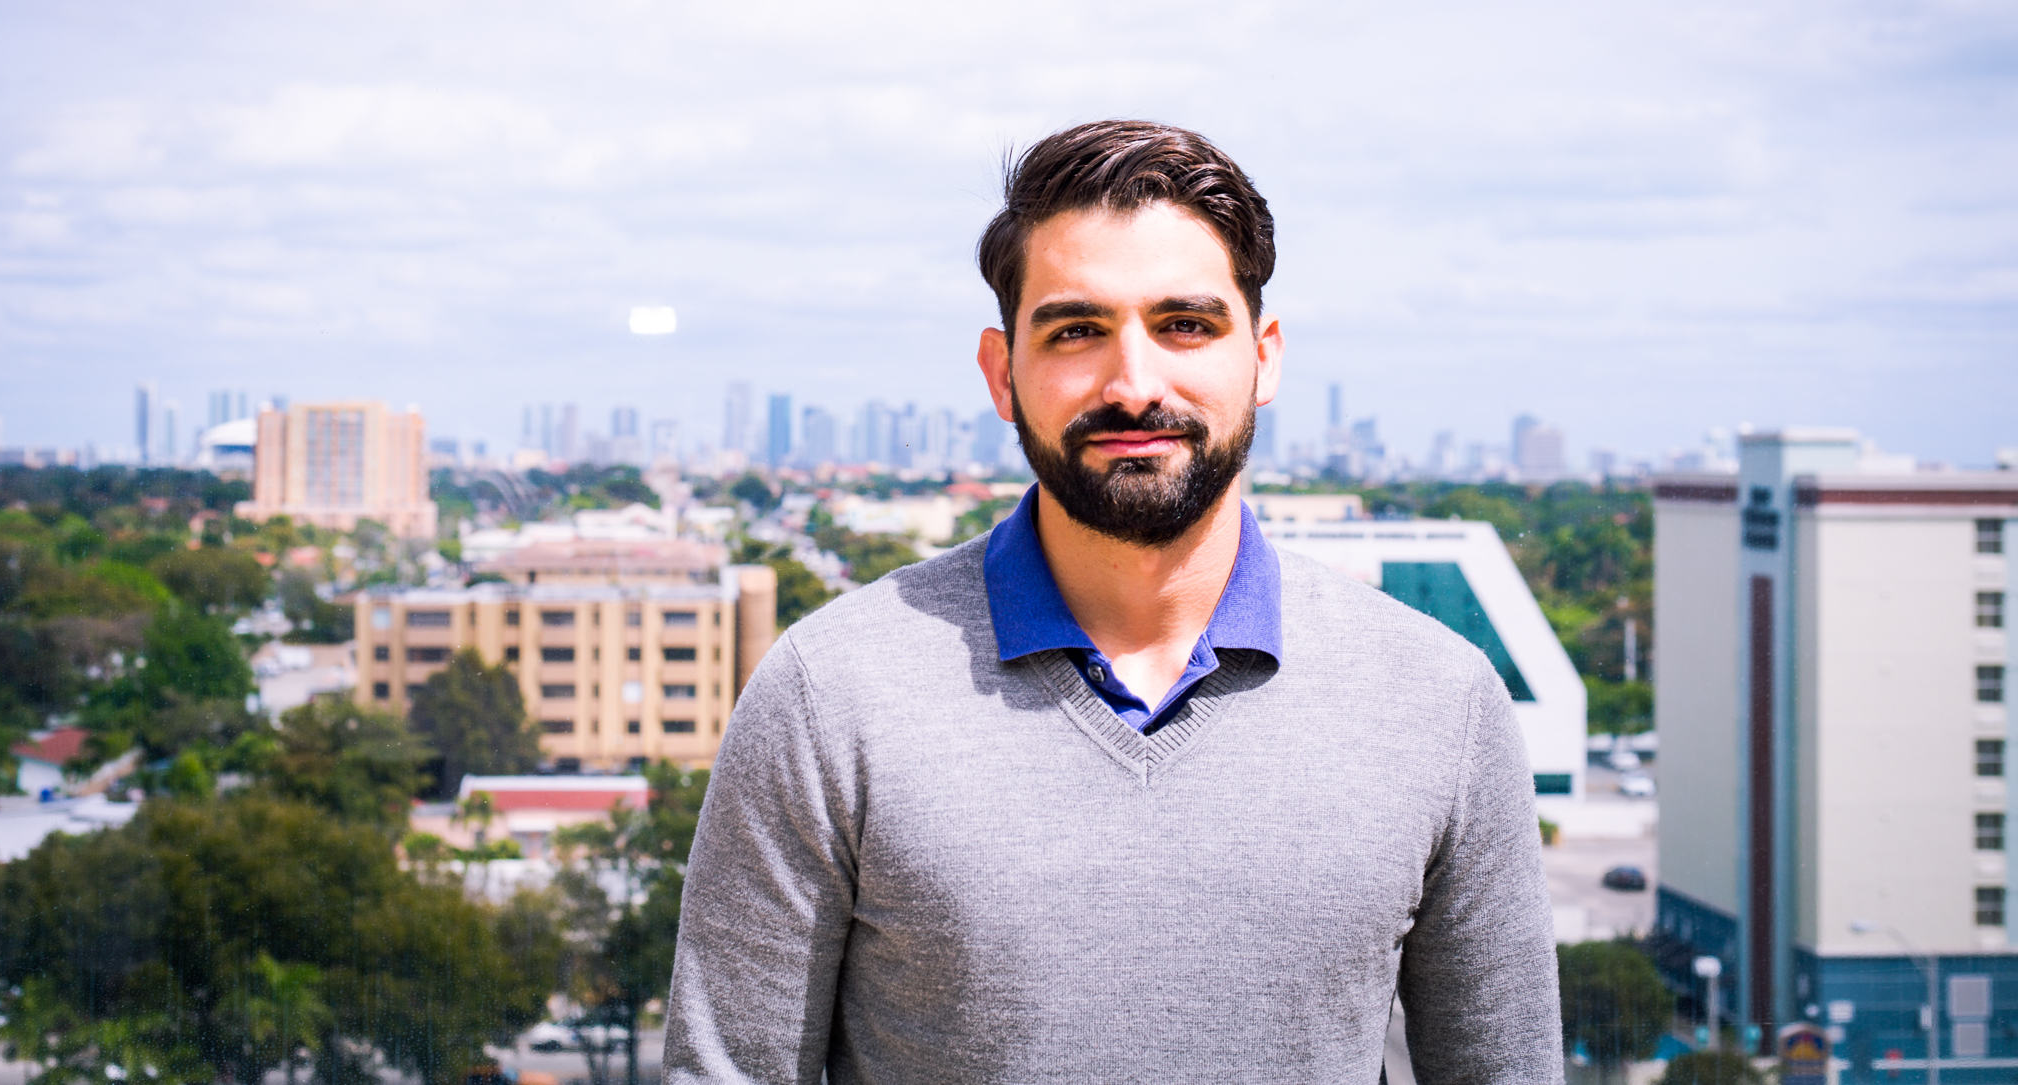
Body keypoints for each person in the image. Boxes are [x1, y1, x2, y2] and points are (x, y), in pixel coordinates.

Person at [664, 120, 1563, 1084]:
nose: (1134, 384)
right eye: (1077, 330)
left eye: (1186, 325)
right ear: (1001, 371)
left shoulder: (1439, 701)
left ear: (1264, 356)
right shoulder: (830, 695)